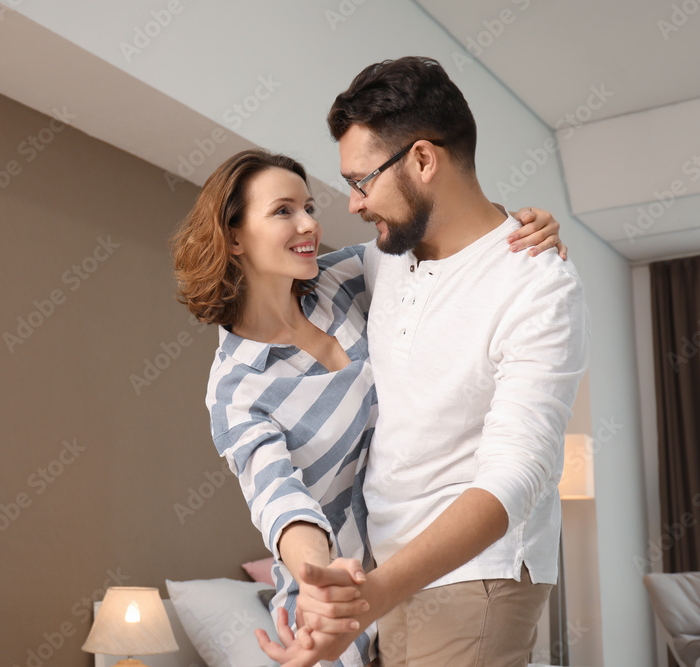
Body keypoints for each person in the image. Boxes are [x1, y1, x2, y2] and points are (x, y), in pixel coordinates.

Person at [171, 147, 568, 667]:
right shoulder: (237, 386)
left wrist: (519, 223)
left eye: (309, 206)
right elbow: (277, 497)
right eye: (283, 210)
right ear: (235, 236)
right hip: (334, 600)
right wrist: (319, 574)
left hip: (410, 566)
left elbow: (447, 237)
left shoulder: (343, 279)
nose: (309, 223)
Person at [257, 56, 590, 667]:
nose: (353, 205)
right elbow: (281, 275)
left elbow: (515, 478)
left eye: (361, 181)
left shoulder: (537, 284)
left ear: (423, 160)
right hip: (392, 568)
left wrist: (373, 595)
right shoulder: (385, 259)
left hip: (473, 576)